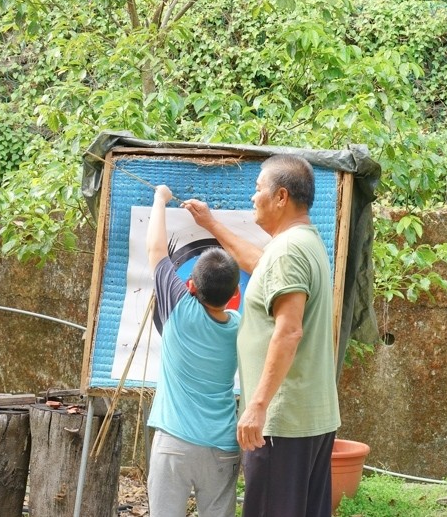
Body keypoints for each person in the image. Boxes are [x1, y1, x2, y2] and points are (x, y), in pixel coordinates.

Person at [182, 154, 341, 517]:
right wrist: (211, 224)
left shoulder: (287, 251)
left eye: (258, 189)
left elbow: (289, 330)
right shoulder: (301, 241)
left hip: (282, 423)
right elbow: (258, 263)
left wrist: (257, 406)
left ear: (281, 196)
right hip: (306, 419)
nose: (253, 197)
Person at [145, 184, 242, 517]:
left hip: (174, 443)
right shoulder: (241, 326)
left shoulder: (179, 306)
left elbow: (156, 250)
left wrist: (160, 199)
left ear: (190, 285)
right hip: (223, 446)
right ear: (235, 295)